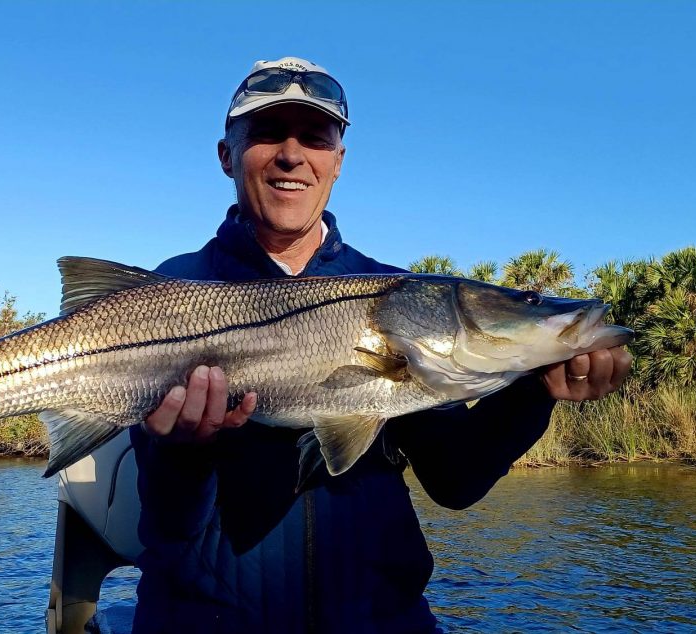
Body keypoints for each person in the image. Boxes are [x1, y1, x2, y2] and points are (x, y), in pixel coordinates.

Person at [128, 57, 632, 633]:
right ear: (226, 156)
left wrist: (534, 392)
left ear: (337, 163)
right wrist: (182, 450)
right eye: (267, 134)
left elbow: (455, 480)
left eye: (315, 139)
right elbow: (168, 521)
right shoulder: (169, 296)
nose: (292, 155)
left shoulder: (403, 297)